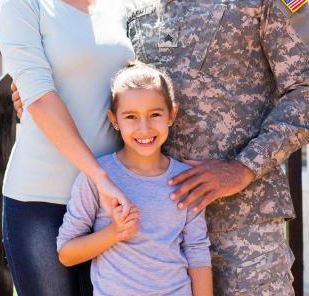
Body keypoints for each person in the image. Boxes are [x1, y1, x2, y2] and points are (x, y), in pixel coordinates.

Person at [11, 0, 309, 294]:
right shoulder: (128, 10)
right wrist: (33, 91)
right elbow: (111, 91)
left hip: (244, 225)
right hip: (150, 234)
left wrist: (243, 167)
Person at [0, 0, 136, 294]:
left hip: (108, 202)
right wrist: (100, 179)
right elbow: (39, 97)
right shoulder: (23, 1)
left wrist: (114, 183)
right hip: (41, 199)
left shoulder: (116, 9)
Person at [57, 61, 213, 296]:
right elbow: (67, 254)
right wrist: (115, 232)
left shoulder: (185, 179)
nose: (144, 127)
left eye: (155, 114)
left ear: (172, 114)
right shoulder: (98, 178)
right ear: (113, 119)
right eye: (131, 116)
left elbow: (197, 250)